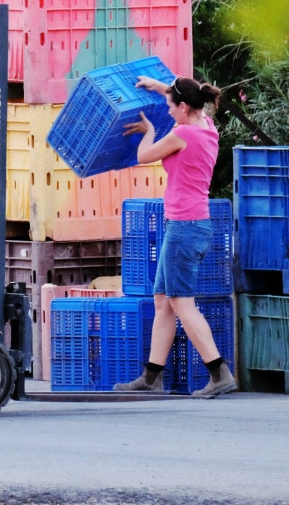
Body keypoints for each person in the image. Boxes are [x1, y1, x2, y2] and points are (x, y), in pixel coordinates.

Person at [113, 75, 237, 398]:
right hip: (190, 225)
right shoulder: (207, 126)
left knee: (181, 302)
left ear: (183, 108)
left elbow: (143, 156)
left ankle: (219, 372)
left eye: (170, 107)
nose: (167, 113)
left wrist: (149, 132)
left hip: (184, 228)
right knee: (163, 302)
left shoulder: (181, 135)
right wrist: (159, 86)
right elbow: (186, 91)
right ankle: (151, 377)